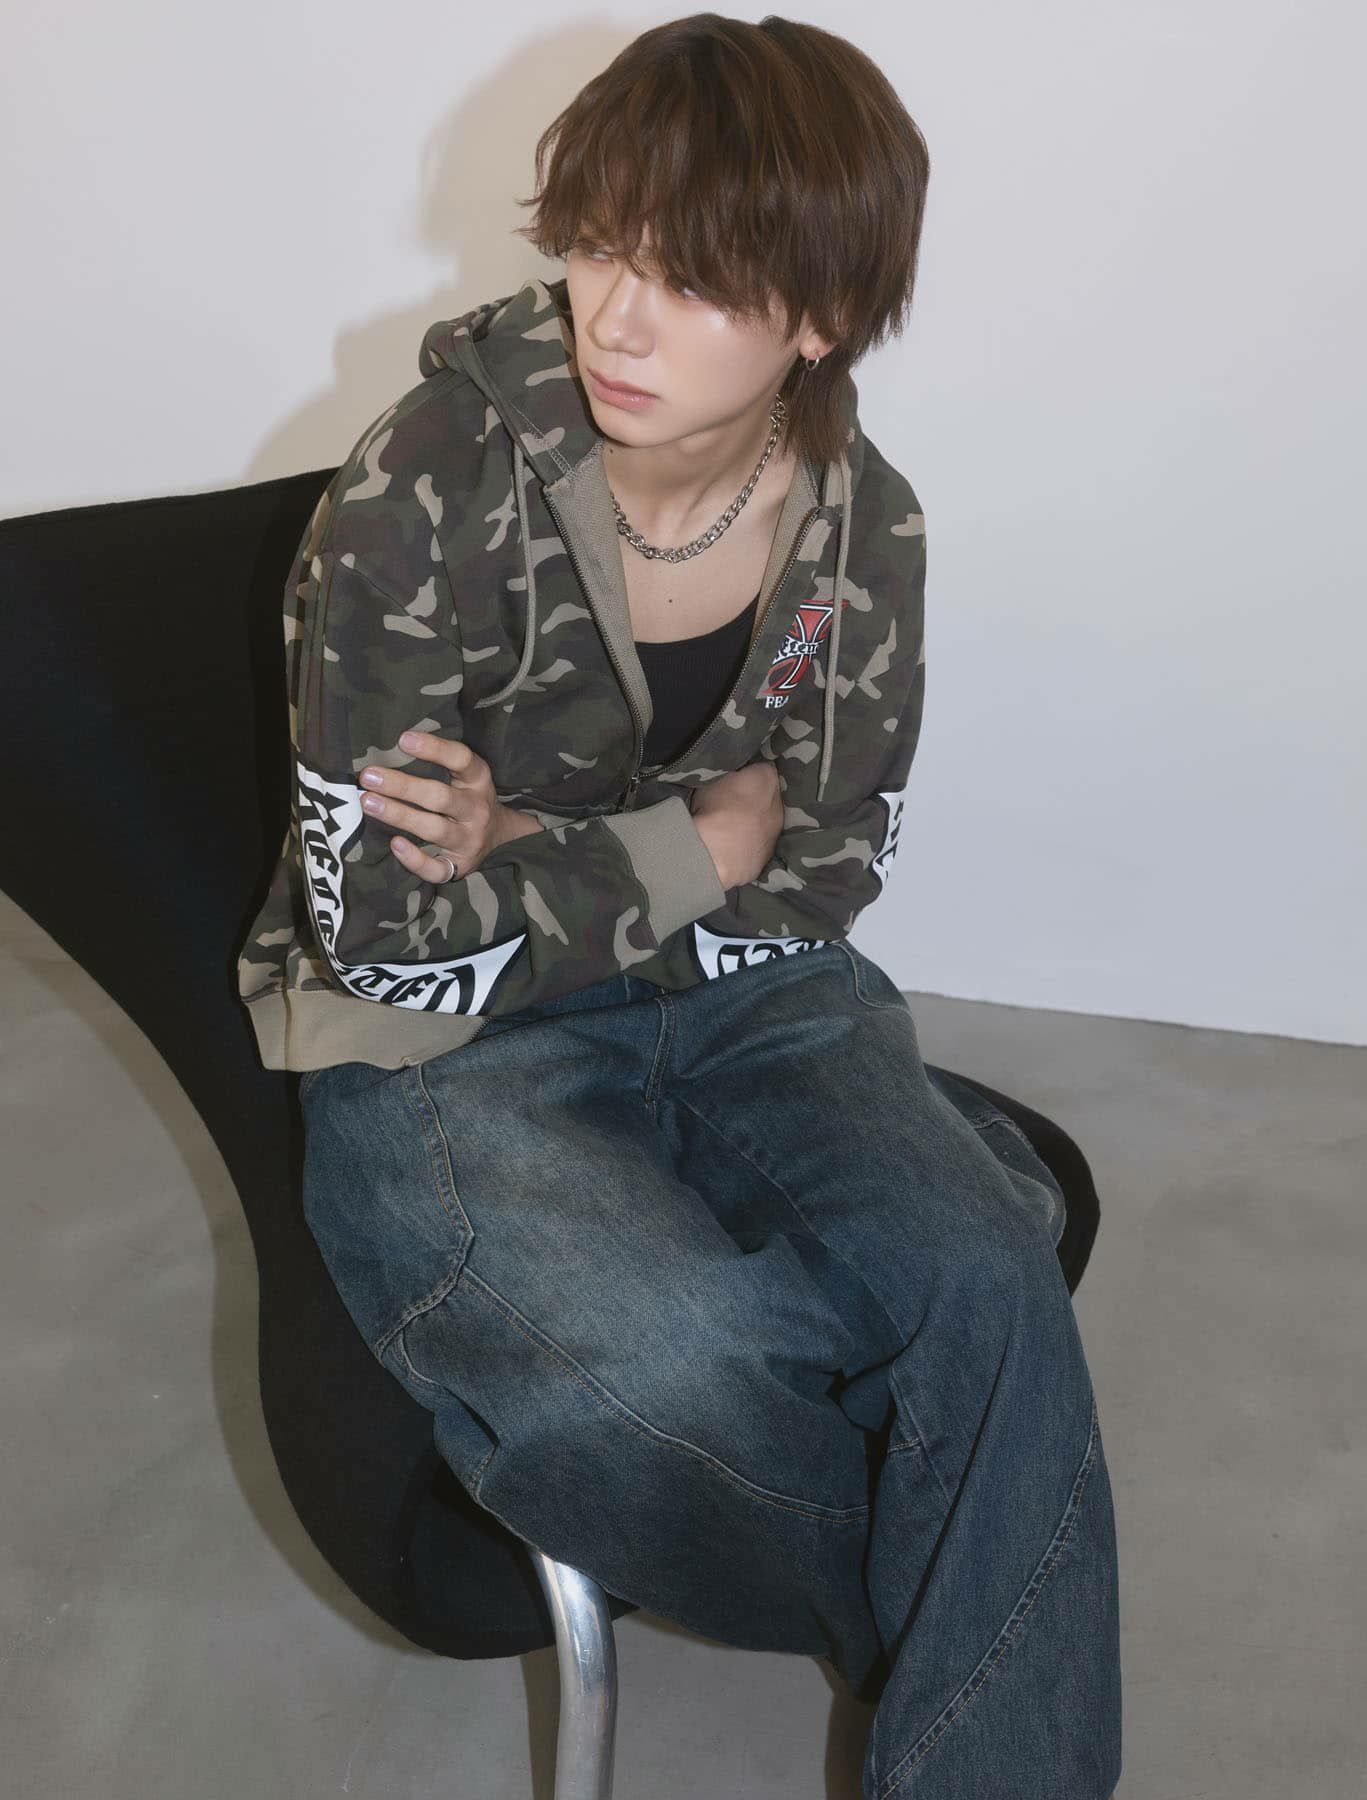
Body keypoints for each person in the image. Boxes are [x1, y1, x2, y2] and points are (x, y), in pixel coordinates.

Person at [236, 14, 1122, 1797]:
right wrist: (692, 848)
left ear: (821, 314)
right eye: (601, 246)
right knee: (669, 1366)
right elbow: (387, 934)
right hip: (444, 1043)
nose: (618, 318)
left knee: (980, 1282)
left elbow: (831, 865)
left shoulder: (862, 524)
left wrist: (534, 846)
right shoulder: (420, 493)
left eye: (695, 278)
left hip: (749, 989)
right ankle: (960, 1592)